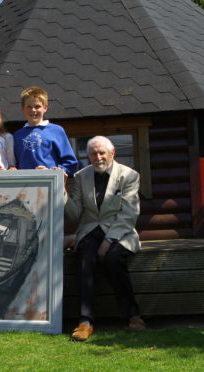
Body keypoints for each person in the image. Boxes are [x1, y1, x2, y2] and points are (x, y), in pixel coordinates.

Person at [65, 135, 145, 341]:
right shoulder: (81, 176)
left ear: (112, 153)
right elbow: (74, 214)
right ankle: (85, 322)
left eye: (102, 153)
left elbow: (129, 214)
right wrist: (61, 191)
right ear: (88, 156)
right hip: (90, 230)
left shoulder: (129, 175)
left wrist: (108, 241)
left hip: (120, 231)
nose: (98, 157)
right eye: (93, 153)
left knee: (113, 259)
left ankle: (133, 315)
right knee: (85, 260)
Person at [13, 87, 77, 177]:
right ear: (23, 109)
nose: (33, 110)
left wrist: (54, 171)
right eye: (29, 107)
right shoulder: (17, 135)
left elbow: (71, 163)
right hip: (25, 187)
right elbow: (15, 165)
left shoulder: (57, 131)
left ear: (45, 108)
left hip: (50, 185)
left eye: (37, 106)